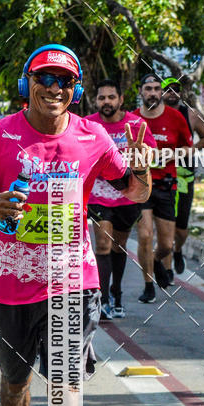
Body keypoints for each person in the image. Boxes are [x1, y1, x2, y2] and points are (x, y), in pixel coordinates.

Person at [0, 44, 151, 406]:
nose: (54, 88)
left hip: (73, 283)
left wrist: (141, 167)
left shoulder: (92, 136)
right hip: (11, 288)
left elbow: (132, 193)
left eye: (64, 82)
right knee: (14, 388)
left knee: (66, 392)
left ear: (74, 92)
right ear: (26, 83)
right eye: (44, 78)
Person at [86, 79, 156, 318]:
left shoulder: (137, 124)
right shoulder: (87, 125)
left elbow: (151, 153)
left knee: (119, 246)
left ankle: (116, 293)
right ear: (96, 101)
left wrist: (143, 156)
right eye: (102, 98)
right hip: (97, 196)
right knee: (103, 245)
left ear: (121, 99)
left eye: (111, 97)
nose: (107, 102)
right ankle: (102, 300)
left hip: (129, 197)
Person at [134, 73, 192, 301]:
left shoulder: (176, 117)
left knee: (167, 244)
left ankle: (157, 260)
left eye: (156, 89)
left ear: (161, 93)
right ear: (141, 92)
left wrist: (172, 153)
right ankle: (148, 285)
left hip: (166, 185)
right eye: (148, 88)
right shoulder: (132, 119)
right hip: (141, 185)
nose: (152, 93)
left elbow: (189, 148)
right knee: (145, 236)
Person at [162, 77, 204, 274]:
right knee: (164, 225)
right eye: (168, 90)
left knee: (181, 228)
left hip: (184, 177)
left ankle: (178, 249)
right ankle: (166, 270)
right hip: (161, 177)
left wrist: (191, 149)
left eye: (176, 90)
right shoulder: (154, 114)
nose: (172, 93)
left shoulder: (190, 114)